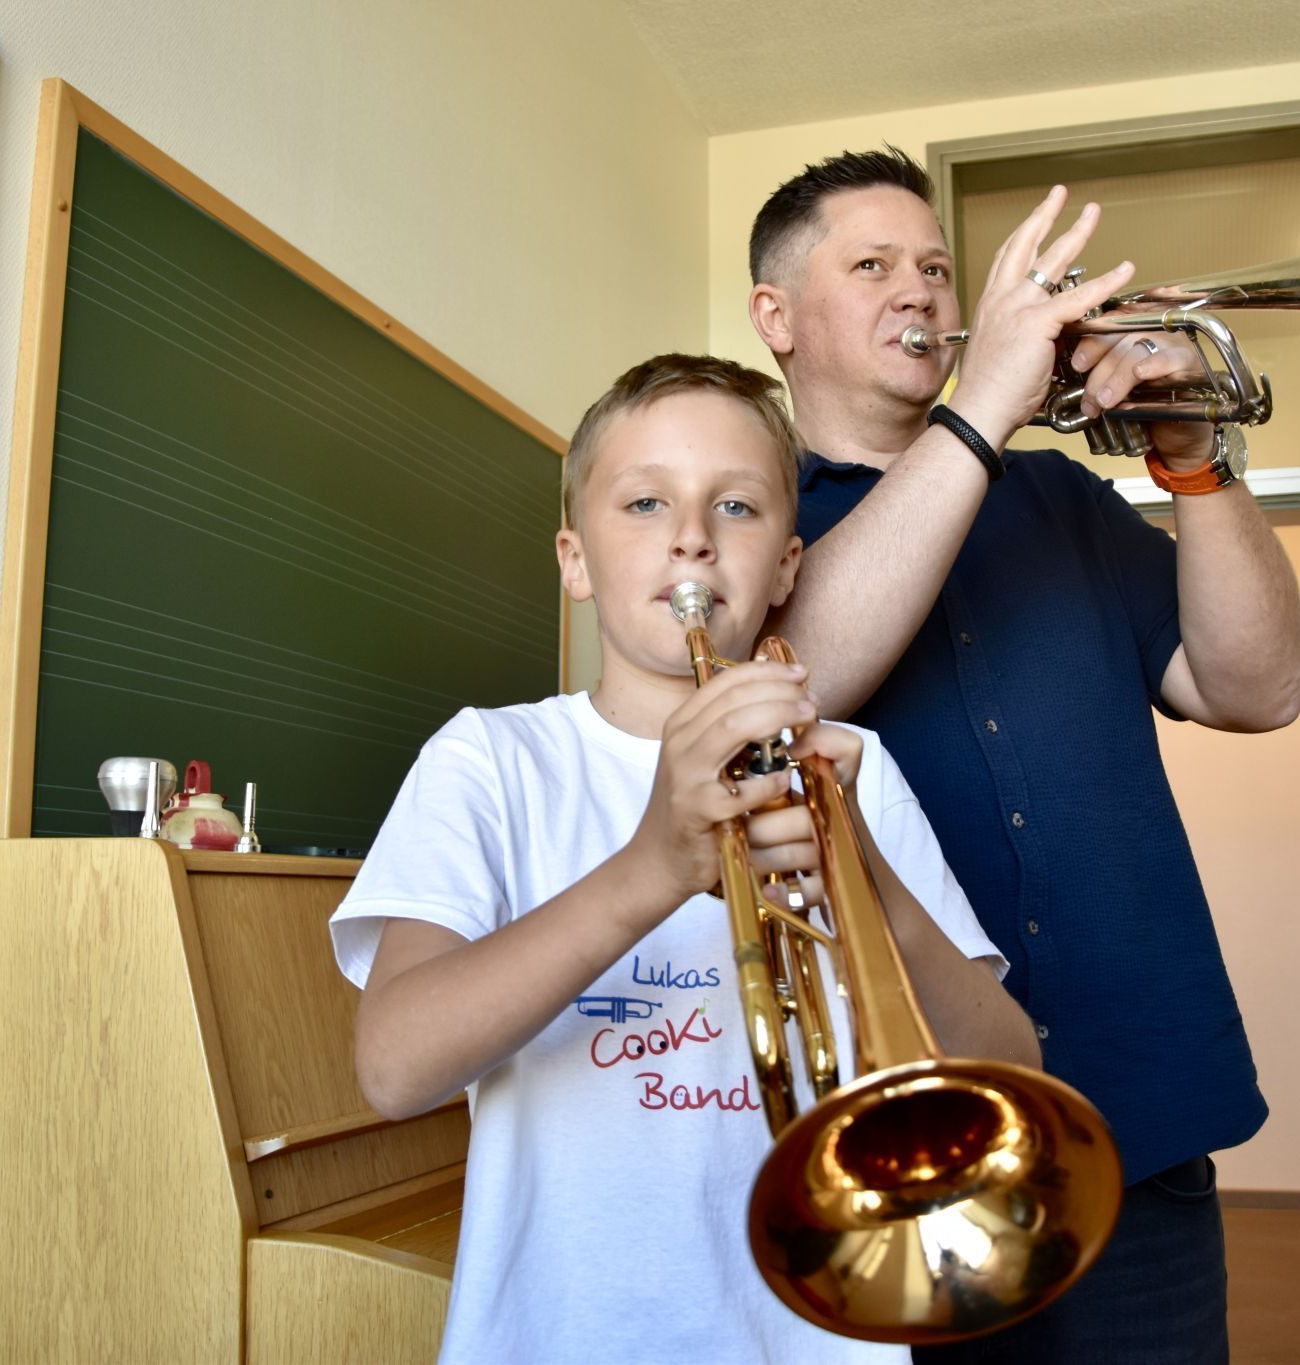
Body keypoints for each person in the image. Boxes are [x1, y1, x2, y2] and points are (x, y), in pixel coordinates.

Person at [332, 353, 1038, 1365]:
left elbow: (1007, 1076)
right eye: (646, 501)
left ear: (788, 567)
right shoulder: (490, 759)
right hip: (561, 1335)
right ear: (574, 562)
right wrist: (654, 866)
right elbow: (393, 1068)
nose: (693, 537)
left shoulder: (850, 769)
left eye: (738, 508)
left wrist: (867, 877)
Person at [745, 147, 1300, 1363]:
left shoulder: (1062, 502)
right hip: (891, 1143)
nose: (924, 294)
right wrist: (985, 401)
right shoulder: (756, 526)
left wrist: (1193, 460)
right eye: (875, 265)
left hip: (1132, 1112)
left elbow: (1256, 689)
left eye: (938, 269)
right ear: (774, 317)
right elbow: (801, 682)